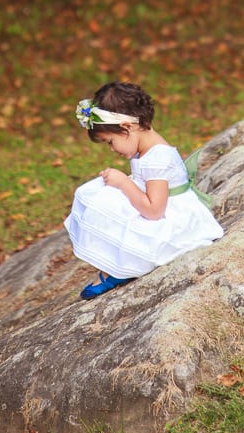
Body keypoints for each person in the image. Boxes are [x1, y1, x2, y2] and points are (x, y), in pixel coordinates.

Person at [64, 81, 224, 299]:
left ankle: (123, 267)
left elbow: (154, 210)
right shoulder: (145, 148)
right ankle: (118, 262)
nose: (112, 149)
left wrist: (124, 183)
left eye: (110, 142)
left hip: (171, 221)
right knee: (94, 193)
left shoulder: (157, 158)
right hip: (159, 207)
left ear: (128, 127)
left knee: (106, 203)